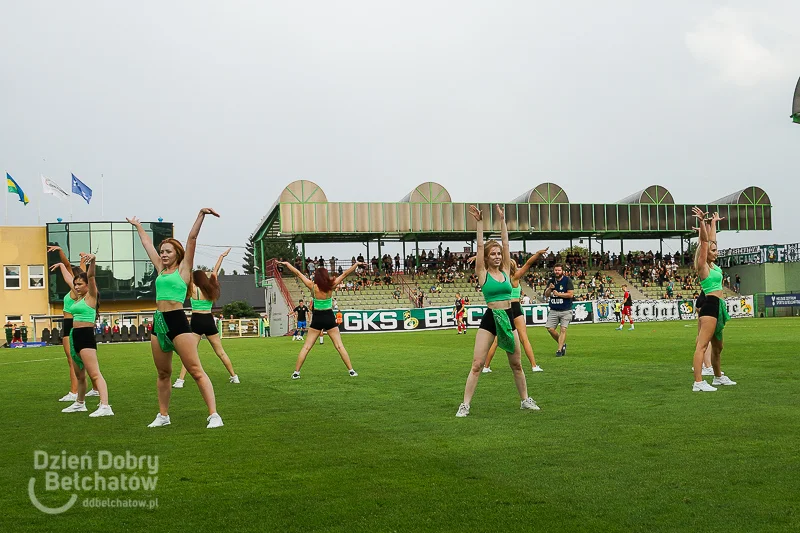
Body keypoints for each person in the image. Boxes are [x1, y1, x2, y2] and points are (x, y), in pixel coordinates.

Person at [128, 209, 224, 428]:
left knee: (195, 371)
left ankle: (214, 415)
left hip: (178, 322)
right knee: (163, 373)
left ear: (177, 254)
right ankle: (163, 416)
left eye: (168, 251)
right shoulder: (160, 270)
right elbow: (146, 245)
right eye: (162, 251)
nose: (163, 254)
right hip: (159, 321)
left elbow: (191, 239)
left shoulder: (184, 270)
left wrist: (201, 215)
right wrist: (138, 226)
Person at [456, 205, 539, 417]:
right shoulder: (482, 273)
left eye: (498, 254)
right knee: (477, 364)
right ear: (487, 257)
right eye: (492, 254)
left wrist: (502, 220)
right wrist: (480, 223)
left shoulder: (505, 270)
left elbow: (505, 242)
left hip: (509, 316)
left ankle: (525, 400)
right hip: (491, 318)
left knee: (517, 364)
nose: (495, 256)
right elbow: (480, 246)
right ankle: (465, 405)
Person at [279, 260, 365, 379]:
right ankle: (351, 370)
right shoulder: (331, 285)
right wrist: (356, 265)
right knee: (339, 346)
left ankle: (296, 373)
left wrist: (287, 265)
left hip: (317, 318)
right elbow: (345, 274)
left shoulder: (312, 286)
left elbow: (298, 274)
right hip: (329, 317)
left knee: (306, 347)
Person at [56, 254, 113, 417]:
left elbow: (91, 275)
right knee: (80, 375)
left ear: (88, 286)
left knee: (94, 373)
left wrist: (93, 261)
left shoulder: (91, 297)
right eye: (76, 284)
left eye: (80, 284)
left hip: (86, 336)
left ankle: (105, 406)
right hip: (74, 336)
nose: (77, 286)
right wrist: (61, 265)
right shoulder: (78, 297)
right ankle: (80, 403)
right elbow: (69, 279)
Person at [174, 248, 239, 389]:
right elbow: (215, 270)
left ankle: (180, 381)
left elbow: (183, 271)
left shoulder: (191, 287)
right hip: (209, 320)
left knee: (189, 353)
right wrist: (222, 256)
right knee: (220, 352)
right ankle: (234, 376)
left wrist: (181, 259)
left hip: (196, 320)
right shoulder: (210, 287)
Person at [481, 248, 549, 374]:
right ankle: (534, 365)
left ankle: (486, 366)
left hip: (503, 308)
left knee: (496, 340)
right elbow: (528, 264)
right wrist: (537, 254)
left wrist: (480, 258)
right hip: (515, 308)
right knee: (524, 339)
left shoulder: (501, 278)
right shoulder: (515, 278)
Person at [690, 208, 736, 392]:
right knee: (702, 346)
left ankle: (718, 377)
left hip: (719, 306)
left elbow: (711, 241)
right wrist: (702, 222)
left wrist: (714, 223)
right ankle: (698, 382)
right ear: (705, 252)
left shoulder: (714, 265)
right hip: (709, 305)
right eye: (713, 251)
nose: (716, 252)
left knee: (718, 347)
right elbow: (704, 241)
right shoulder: (703, 266)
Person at [47, 245, 99, 402]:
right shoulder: (78, 288)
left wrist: (61, 254)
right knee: (81, 359)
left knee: (73, 359)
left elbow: (70, 267)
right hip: (72, 322)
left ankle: (74, 392)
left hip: (72, 323)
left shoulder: (76, 288)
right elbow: (76, 268)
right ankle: (94, 388)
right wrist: (82, 259)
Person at [544, 263, 574, 356]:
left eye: (559, 270)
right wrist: (549, 288)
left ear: (563, 271)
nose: (557, 272)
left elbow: (570, 294)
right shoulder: (551, 281)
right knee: (550, 329)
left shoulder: (567, 280)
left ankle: (559, 350)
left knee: (563, 329)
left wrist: (559, 294)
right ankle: (562, 344)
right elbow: (546, 294)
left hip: (565, 310)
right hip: (553, 309)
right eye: (555, 270)